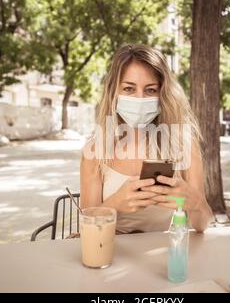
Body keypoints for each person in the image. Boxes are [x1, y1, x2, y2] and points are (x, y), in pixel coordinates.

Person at [80, 44, 213, 234]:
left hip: (164, 257)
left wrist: (196, 202)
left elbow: (203, 224)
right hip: (111, 254)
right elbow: (86, 230)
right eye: (128, 89)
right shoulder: (95, 151)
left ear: (163, 94)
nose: (140, 99)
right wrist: (114, 204)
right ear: (113, 93)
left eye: (150, 90)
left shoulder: (183, 143)